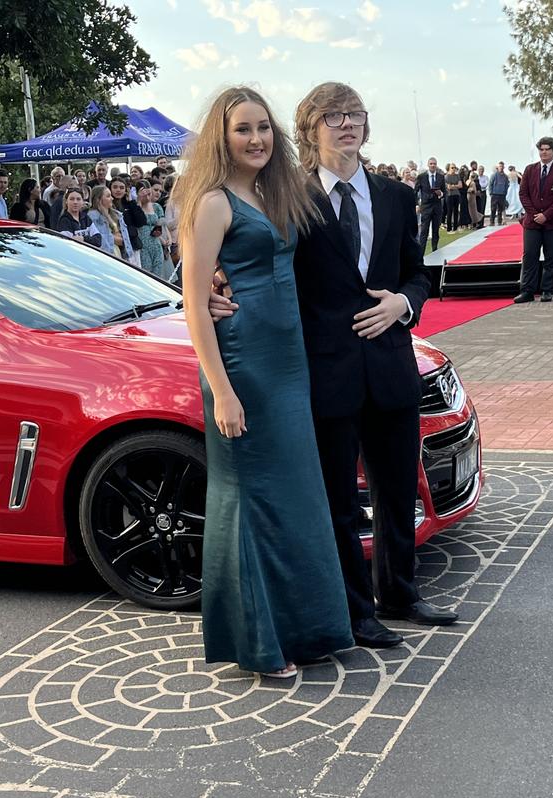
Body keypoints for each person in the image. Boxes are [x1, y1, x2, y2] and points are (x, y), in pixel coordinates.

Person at [209, 81, 459, 648]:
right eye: (332, 117)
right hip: (325, 374)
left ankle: (400, 591)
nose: (347, 124)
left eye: (355, 115)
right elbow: (259, 266)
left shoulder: (396, 196)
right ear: (310, 130)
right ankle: (354, 610)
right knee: (340, 500)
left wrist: (404, 302)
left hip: (394, 367)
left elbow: (418, 273)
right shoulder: (288, 200)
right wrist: (212, 288)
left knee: (398, 489)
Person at [175, 85, 353, 677]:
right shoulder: (212, 203)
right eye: (242, 129)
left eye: (263, 128)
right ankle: (259, 644)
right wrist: (222, 390)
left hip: (288, 364)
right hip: (243, 364)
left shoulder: (275, 192)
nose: (256, 139)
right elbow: (195, 305)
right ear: (221, 139)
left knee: (295, 498)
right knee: (252, 500)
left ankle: (308, 630)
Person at [514, 136, 553, 304]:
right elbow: (523, 194)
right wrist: (533, 214)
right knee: (529, 256)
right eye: (541, 149)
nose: (544, 152)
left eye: (547, 149)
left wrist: (546, 215)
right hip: (532, 221)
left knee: (551, 256)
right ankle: (527, 290)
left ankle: (547, 290)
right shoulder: (530, 170)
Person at [87, 184, 133, 259]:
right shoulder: (93, 216)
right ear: (98, 199)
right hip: (105, 254)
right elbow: (100, 239)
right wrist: (114, 238)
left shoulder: (116, 214)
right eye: (108, 196)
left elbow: (122, 240)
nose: (112, 198)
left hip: (118, 252)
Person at [109, 176, 146, 266]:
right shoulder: (107, 206)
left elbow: (141, 222)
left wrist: (132, 202)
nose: (118, 190)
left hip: (132, 244)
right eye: (115, 187)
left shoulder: (129, 204)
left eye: (122, 188)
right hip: (116, 245)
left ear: (126, 190)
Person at [414, 156, 446, 252]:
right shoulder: (421, 177)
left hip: (437, 206)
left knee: (436, 231)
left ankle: (435, 250)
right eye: (431, 164)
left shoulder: (441, 177)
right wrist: (417, 204)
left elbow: (445, 192)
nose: (432, 165)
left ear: (436, 165)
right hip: (426, 206)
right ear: (428, 165)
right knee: (424, 231)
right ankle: (421, 253)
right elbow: (415, 191)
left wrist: (441, 194)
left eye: (434, 164)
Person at [136, 179, 165, 276]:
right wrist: (139, 201)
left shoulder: (156, 206)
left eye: (149, 194)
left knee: (158, 274)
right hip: (143, 246)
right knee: (147, 274)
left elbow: (163, 221)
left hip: (156, 244)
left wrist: (160, 231)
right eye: (145, 194)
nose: (147, 197)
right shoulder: (136, 208)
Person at [488, 161, 509, 226]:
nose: (501, 168)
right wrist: (490, 193)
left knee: (500, 209)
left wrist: (505, 192)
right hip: (494, 194)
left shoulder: (505, 176)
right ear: (498, 167)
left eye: (502, 167)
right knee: (493, 209)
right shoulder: (494, 175)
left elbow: (507, 185)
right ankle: (492, 222)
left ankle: (499, 222)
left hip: (502, 195)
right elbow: (490, 184)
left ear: (504, 167)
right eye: (500, 166)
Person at [444, 162, 461, 233]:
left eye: (455, 168)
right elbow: (448, 187)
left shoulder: (457, 176)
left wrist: (453, 186)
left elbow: (460, 185)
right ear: (449, 168)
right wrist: (455, 186)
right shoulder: (446, 176)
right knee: (449, 212)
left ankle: (455, 228)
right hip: (449, 195)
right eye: (452, 168)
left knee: (456, 211)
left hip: (456, 195)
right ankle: (449, 229)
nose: (454, 169)